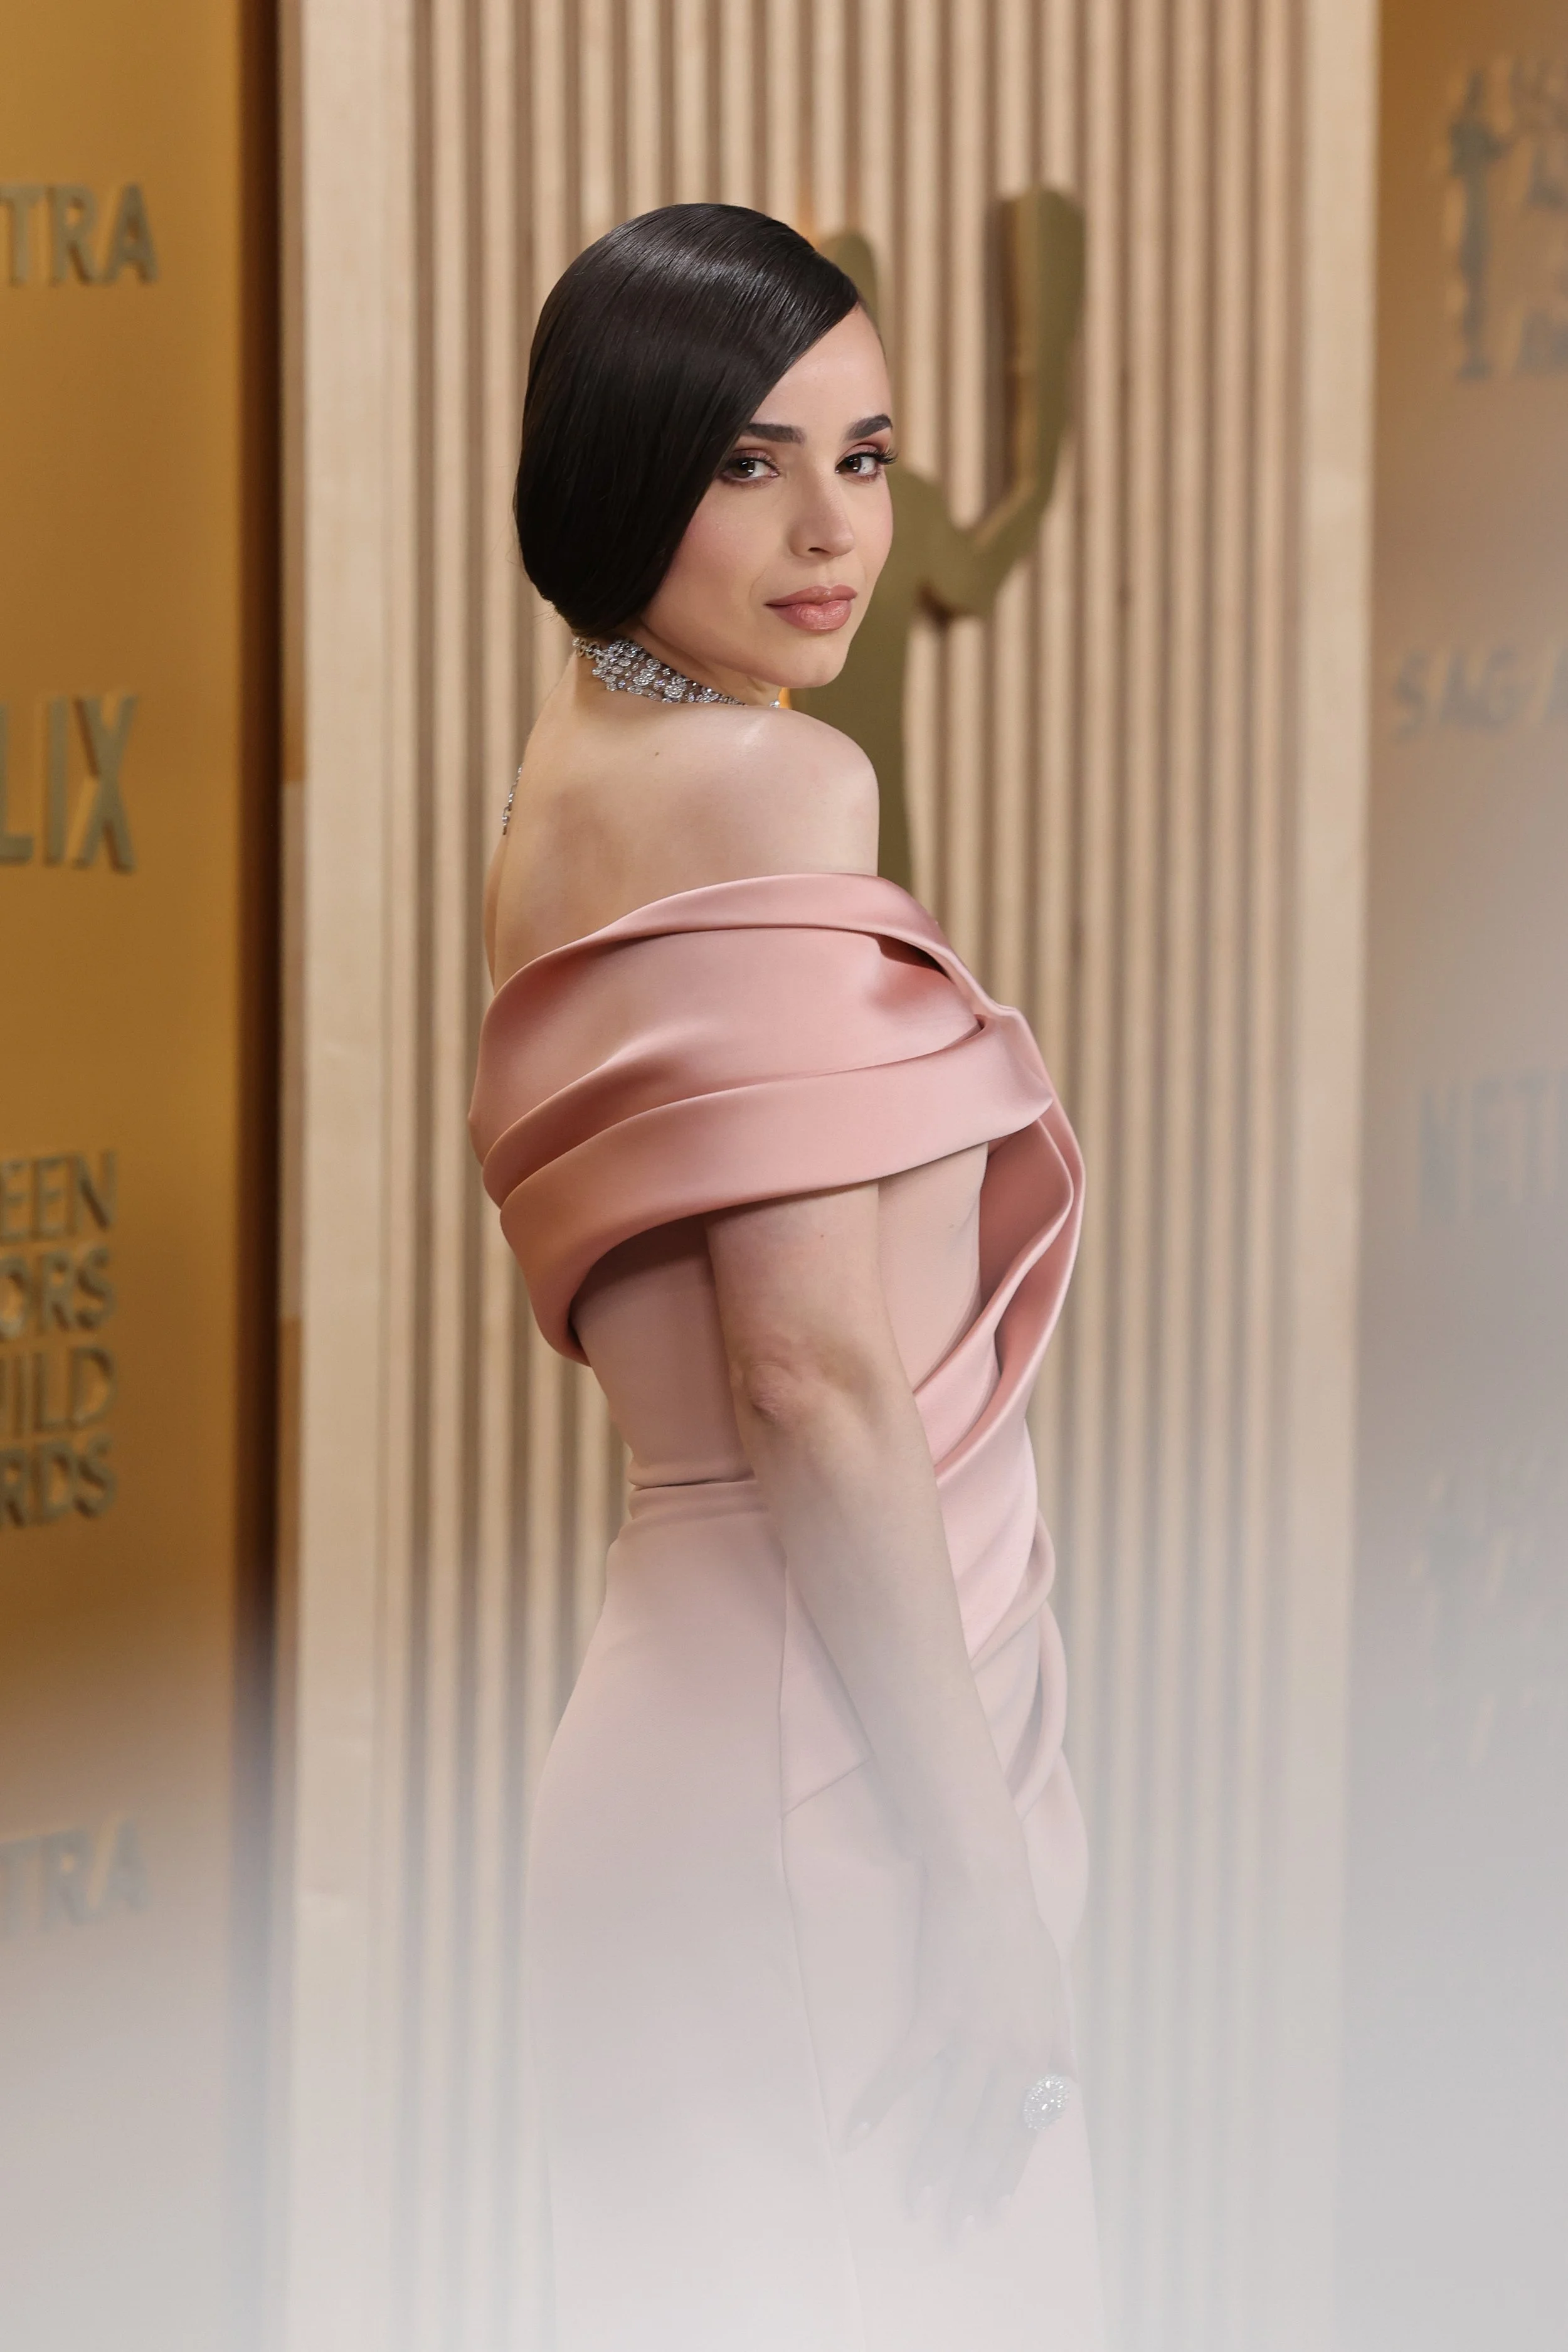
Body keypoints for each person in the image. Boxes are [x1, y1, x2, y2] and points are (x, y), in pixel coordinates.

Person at [470, 203, 1101, 2352]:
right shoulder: (775, 782)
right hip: (821, 1762)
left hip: (703, 1729)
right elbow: (811, 1377)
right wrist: (980, 1879)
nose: (833, 529)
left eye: (866, 452)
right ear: (623, 465)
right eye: (750, 461)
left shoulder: (571, 778)